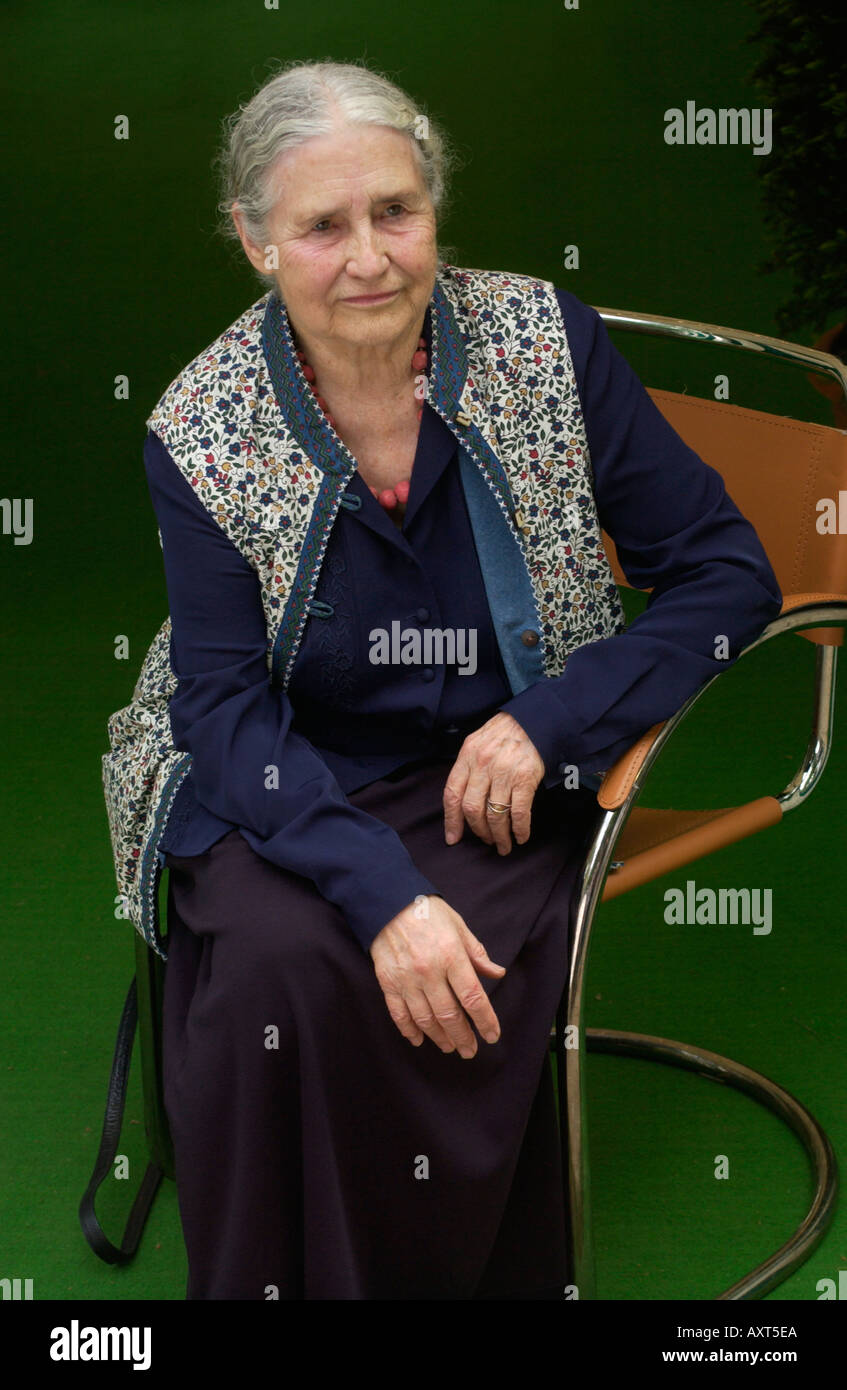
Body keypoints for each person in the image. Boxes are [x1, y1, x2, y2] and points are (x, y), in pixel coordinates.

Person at [102, 58, 783, 1300]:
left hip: (503, 771)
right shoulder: (199, 425)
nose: (369, 256)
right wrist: (381, 897)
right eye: (321, 225)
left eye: (395, 211)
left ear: (434, 210)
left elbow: (729, 576)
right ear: (255, 242)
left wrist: (549, 718)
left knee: (428, 967)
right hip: (292, 766)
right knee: (267, 963)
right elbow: (222, 704)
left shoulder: (541, 343)